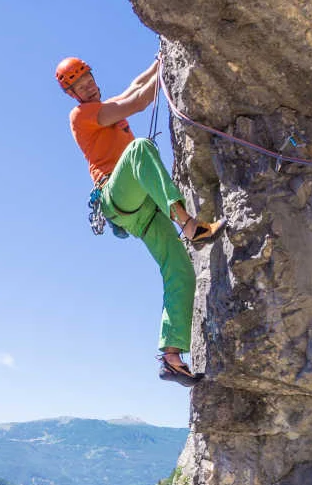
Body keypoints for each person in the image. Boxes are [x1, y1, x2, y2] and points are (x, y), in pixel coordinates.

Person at [57, 55, 220, 386]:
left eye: (88, 79)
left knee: (179, 270)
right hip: (116, 196)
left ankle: (171, 358)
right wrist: (170, 64)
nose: (88, 87)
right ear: (72, 94)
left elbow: (133, 88)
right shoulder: (82, 115)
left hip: (142, 207)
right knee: (140, 149)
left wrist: (159, 62)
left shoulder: (104, 107)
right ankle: (190, 226)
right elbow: (138, 101)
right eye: (79, 86)